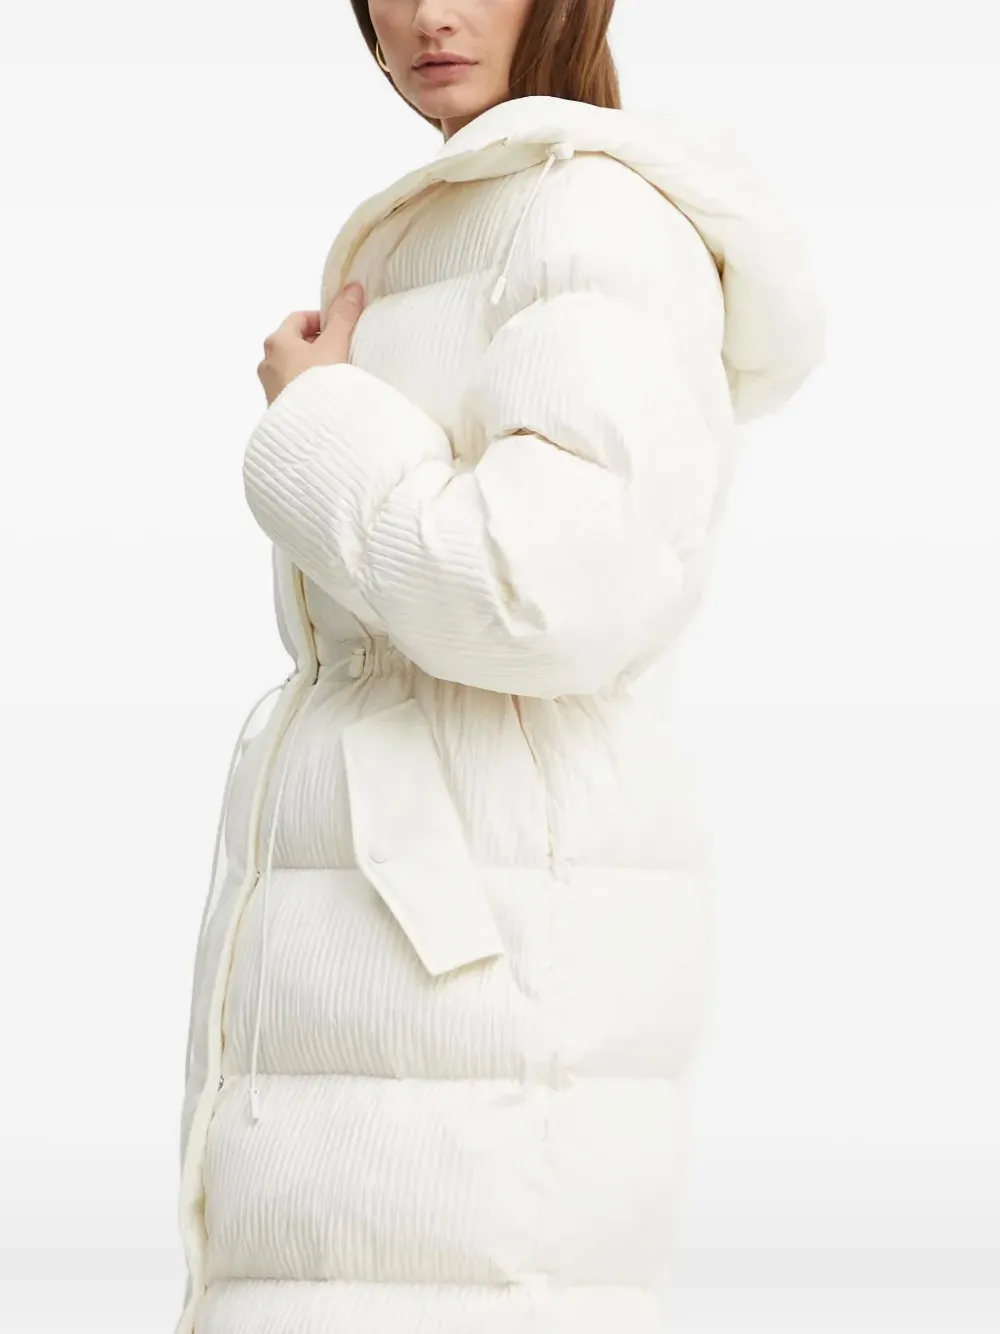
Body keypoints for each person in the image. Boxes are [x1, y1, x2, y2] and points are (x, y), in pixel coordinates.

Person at [174, 1, 826, 1330]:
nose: (428, 13)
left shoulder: (590, 217)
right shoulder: (452, 220)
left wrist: (321, 415)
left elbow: (548, 589)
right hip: (401, 930)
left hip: (487, 944)